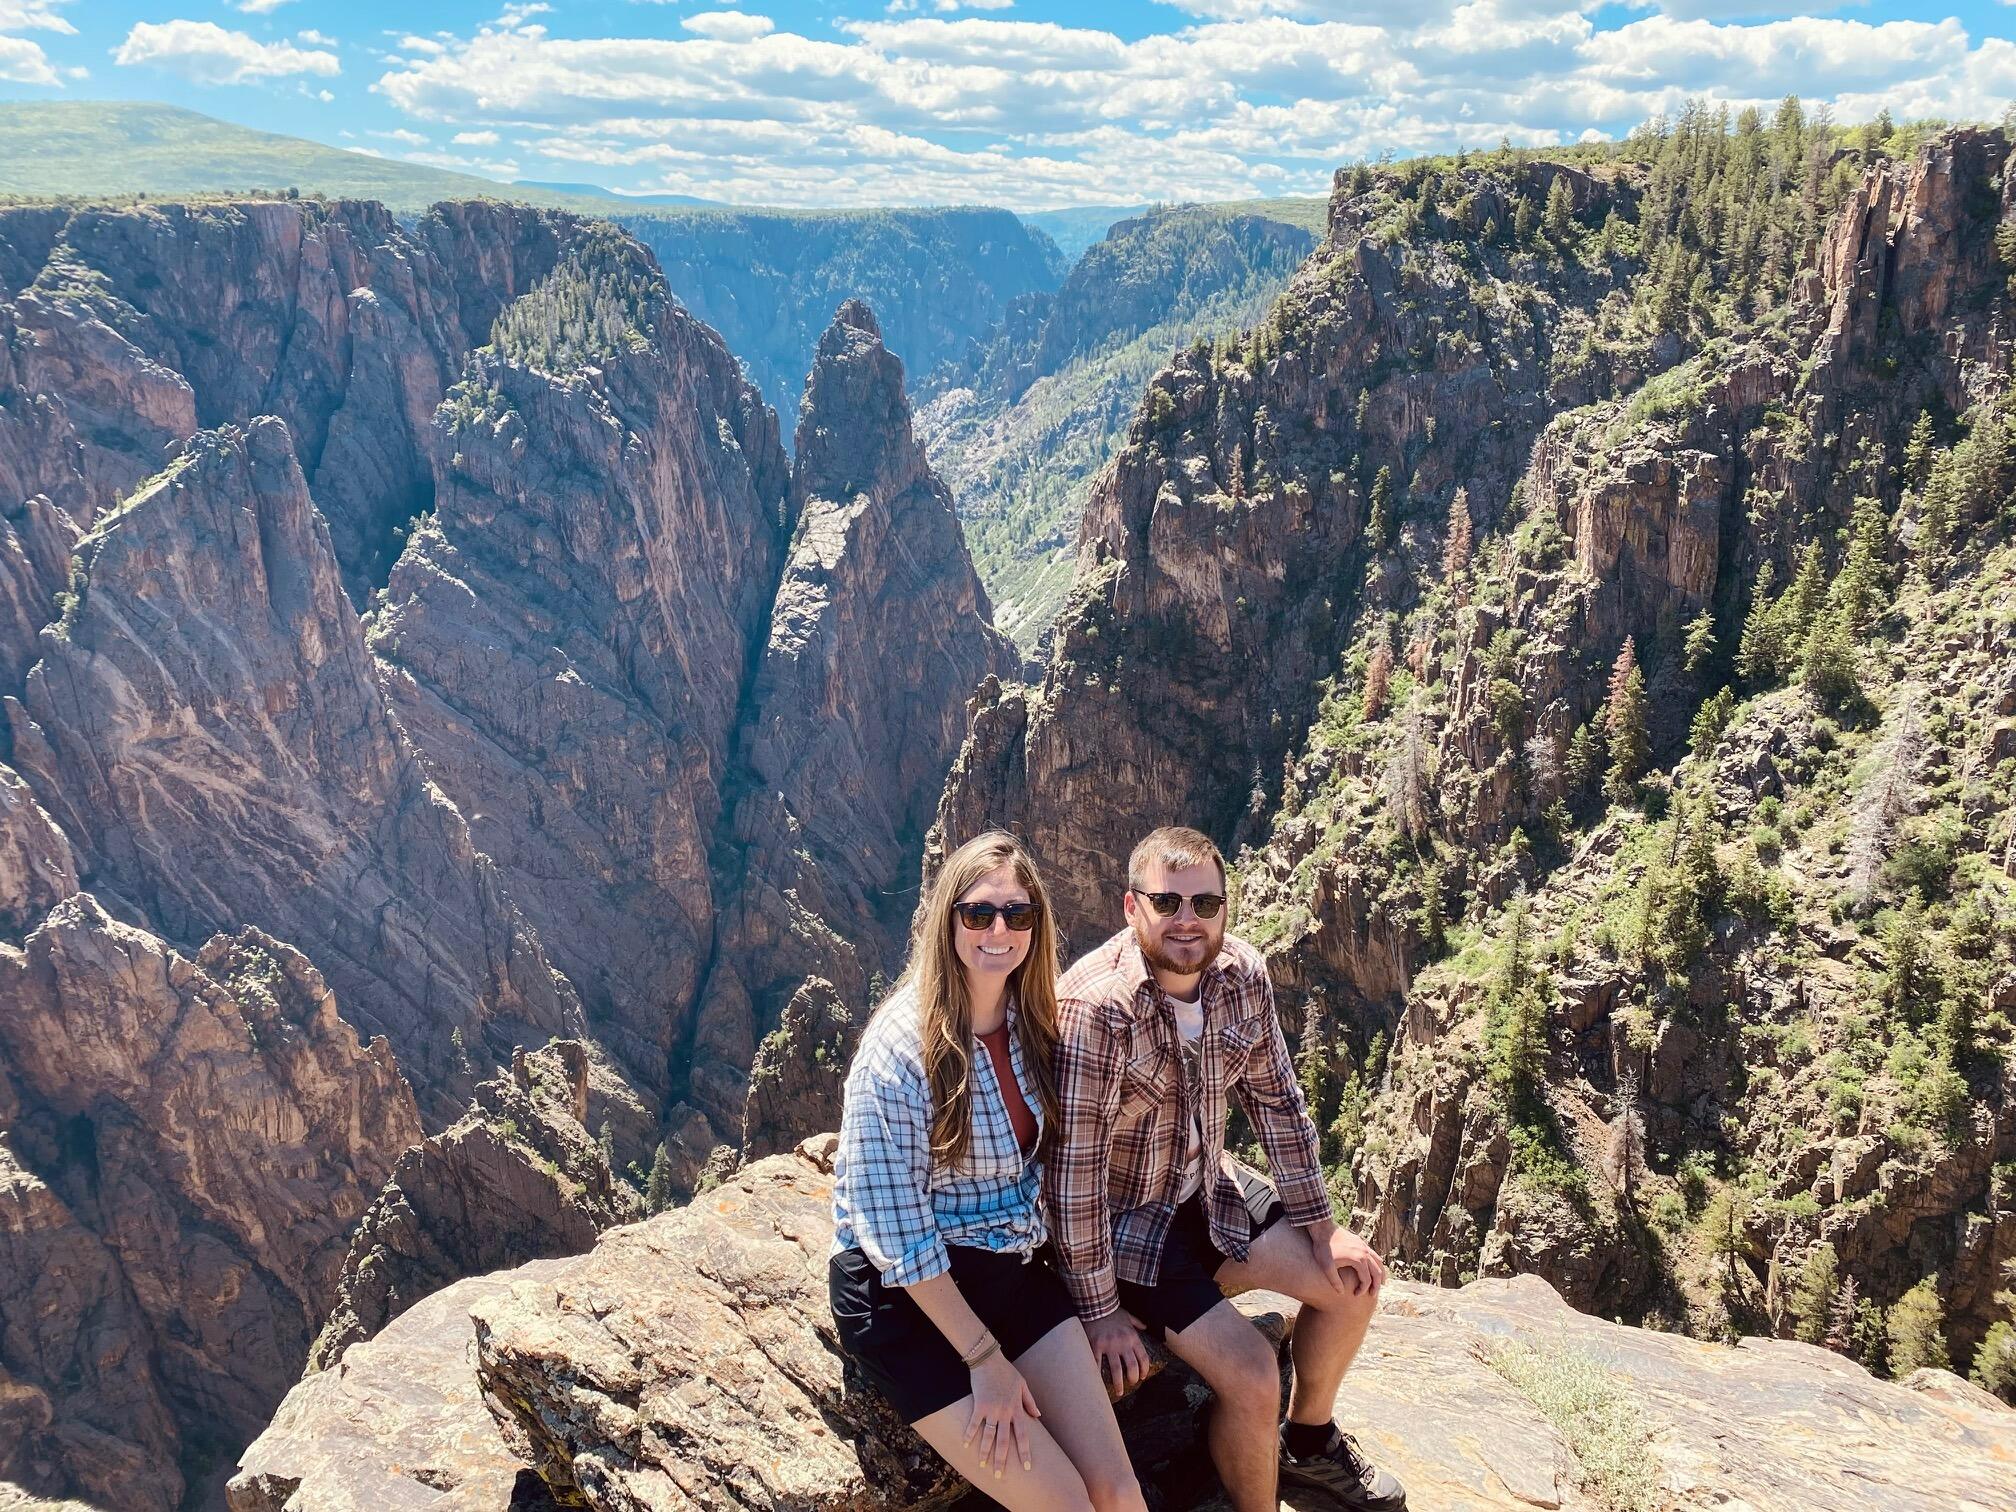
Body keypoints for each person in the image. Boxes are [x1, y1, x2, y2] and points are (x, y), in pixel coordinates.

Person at [1052, 825, 1408, 1512]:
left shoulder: (1241, 974)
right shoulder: (1096, 1010)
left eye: (1205, 903)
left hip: (1208, 1186)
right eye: (1168, 902)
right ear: (1133, 909)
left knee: (1353, 1281)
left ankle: (1309, 1446)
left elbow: (1279, 1103)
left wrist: (1322, 1227)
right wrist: (1098, 1311)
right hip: (1134, 1228)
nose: (1188, 920)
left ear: (1225, 907)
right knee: (1250, 1376)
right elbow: (1072, 1181)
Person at [829, 831, 1148, 1512]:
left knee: (1118, 1493)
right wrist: (984, 1361)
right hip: (906, 1296)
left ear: (1036, 923)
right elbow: (898, 1236)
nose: (999, 929)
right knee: (1067, 1505)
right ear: (948, 920)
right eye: (978, 913)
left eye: (1018, 913)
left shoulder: (1028, 1016)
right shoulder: (898, 1051)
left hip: (1006, 1260)